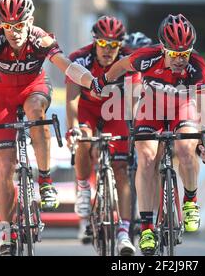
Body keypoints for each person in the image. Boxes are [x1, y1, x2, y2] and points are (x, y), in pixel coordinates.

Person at [72, 14, 205, 255]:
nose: (180, 60)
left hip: (182, 108)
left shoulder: (197, 66)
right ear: (163, 48)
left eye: (185, 53)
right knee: (146, 160)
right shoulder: (147, 57)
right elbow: (120, 66)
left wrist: (204, 139)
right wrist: (101, 82)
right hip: (152, 109)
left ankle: (190, 201)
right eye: (174, 54)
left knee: (186, 148)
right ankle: (147, 227)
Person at [0, 0, 94, 256]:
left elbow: (65, 65)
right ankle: (5, 227)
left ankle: (44, 179)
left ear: (29, 21)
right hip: (4, 97)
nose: (13, 32)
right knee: (5, 165)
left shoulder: (41, 39)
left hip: (33, 89)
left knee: (36, 113)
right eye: (7, 26)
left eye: (19, 25)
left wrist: (90, 80)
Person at [65, 15, 137, 255]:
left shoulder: (130, 60)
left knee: (121, 170)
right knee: (83, 139)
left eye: (114, 45)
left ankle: (125, 232)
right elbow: (72, 99)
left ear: (121, 45)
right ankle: (84, 188)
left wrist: (136, 129)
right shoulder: (79, 59)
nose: (108, 50)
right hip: (87, 109)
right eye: (103, 44)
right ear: (95, 42)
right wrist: (73, 128)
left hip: (115, 111)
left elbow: (135, 100)